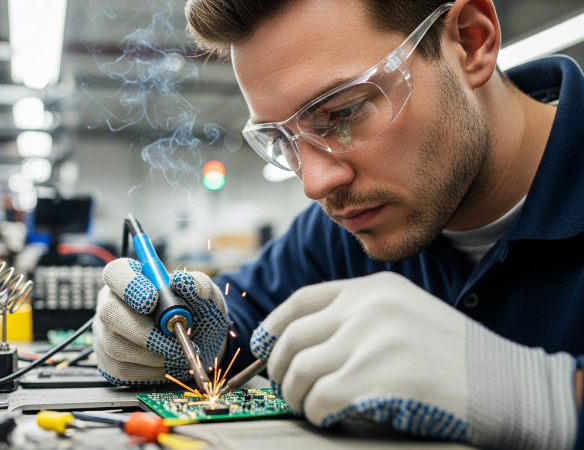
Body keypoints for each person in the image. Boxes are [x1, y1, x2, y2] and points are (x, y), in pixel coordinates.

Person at [93, 0, 584, 447]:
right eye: (283, 140)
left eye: (343, 113)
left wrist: (545, 396)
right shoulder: (343, 228)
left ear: (471, 42)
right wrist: (175, 339)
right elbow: (237, 327)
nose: (316, 183)